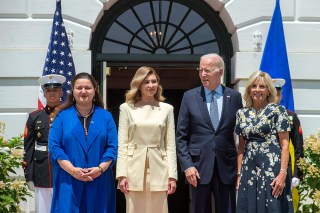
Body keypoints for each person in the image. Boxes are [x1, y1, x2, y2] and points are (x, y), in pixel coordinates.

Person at [176, 53, 243, 213]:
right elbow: (181, 137)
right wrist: (188, 166)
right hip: (198, 169)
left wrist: (240, 170)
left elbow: (242, 134)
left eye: (207, 70)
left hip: (226, 167)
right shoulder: (189, 97)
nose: (203, 74)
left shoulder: (234, 97)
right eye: (201, 70)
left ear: (220, 72)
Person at [48, 72, 118, 213]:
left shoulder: (106, 117)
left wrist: (99, 169)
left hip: (99, 180)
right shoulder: (62, 116)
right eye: (79, 88)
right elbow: (55, 148)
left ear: (95, 90)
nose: (83, 91)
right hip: (68, 180)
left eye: (88, 87)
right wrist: (73, 170)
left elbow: (112, 148)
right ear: (72, 91)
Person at [116, 66, 177, 213]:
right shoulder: (126, 108)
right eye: (146, 82)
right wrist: (121, 175)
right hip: (133, 170)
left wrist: (172, 176)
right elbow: (122, 144)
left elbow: (170, 145)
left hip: (160, 169)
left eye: (154, 81)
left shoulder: (167, 109)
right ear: (139, 84)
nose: (151, 85)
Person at [235, 71, 293, 213]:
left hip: (272, 168)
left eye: (262, 86)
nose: (257, 90)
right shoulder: (241, 113)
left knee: (272, 206)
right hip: (249, 169)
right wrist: (239, 175)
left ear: (269, 90)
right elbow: (241, 147)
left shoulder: (278, 111)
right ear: (249, 89)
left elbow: (285, 145)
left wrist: (282, 174)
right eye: (254, 86)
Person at [24, 74, 66, 213]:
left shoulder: (70, 114)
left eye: (55, 90)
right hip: (42, 172)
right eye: (48, 90)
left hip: (67, 171)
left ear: (61, 92)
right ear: (44, 93)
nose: (52, 93)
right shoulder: (34, 116)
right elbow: (28, 149)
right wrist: (28, 175)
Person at [273, 78, 304, 212]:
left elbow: (298, 148)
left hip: (285, 169)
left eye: (278, 94)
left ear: (281, 96)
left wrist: (297, 174)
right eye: (272, 95)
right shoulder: (257, 116)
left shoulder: (290, 117)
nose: (276, 98)